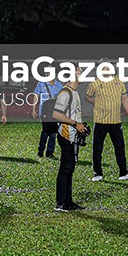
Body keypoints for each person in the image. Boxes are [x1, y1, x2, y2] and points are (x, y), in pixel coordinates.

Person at [85, 61, 128, 182]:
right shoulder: (95, 82)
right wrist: (97, 103)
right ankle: (97, 173)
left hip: (115, 121)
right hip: (100, 121)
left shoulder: (119, 81)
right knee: (97, 148)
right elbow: (87, 96)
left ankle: (123, 173)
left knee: (120, 147)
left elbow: (124, 98)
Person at [51, 68, 89, 211]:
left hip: (73, 135)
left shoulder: (74, 92)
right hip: (66, 136)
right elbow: (56, 114)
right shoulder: (65, 93)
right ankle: (61, 203)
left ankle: (68, 201)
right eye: (79, 72)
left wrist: (81, 127)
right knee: (65, 168)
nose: (82, 74)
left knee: (70, 168)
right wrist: (75, 124)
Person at [32, 75, 63, 159]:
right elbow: (36, 96)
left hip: (55, 112)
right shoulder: (41, 84)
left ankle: (50, 152)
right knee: (45, 131)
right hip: (44, 112)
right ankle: (40, 151)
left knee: (53, 132)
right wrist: (34, 108)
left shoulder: (59, 85)